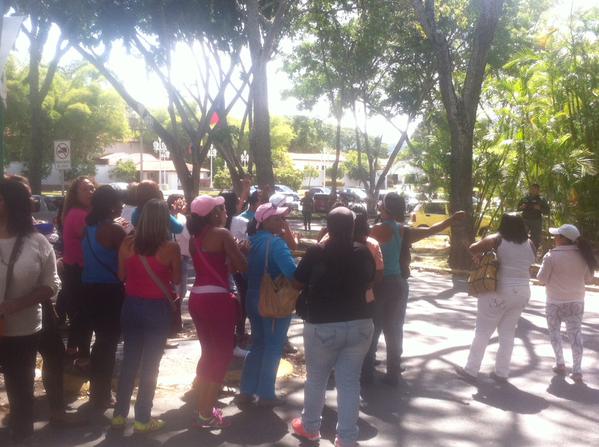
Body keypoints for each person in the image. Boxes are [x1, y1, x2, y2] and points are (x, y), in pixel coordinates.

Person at [292, 207, 375, 447]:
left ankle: (310, 428)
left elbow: (297, 282)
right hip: (360, 324)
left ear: (328, 227)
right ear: (352, 228)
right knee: (349, 382)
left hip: (323, 325)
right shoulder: (364, 252)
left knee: (316, 378)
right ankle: (346, 438)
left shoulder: (317, 251)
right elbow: (370, 280)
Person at [111, 199, 181, 433]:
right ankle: (142, 418)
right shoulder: (170, 248)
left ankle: (119, 414)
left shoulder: (127, 243)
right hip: (156, 309)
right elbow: (178, 279)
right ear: (164, 221)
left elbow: (121, 275)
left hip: (130, 306)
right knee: (151, 365)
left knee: (130, 362)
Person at [0, 179, 61, 442]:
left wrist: (18, 303)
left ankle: (21, 430)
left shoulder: (37, 242)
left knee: (20, 384)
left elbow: (52, 284)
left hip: (23, 329)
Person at [187, 195, 247, 428]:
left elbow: (213, 263)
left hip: (197, 297)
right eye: (222, 209)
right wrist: (242, 249)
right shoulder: (222, 235)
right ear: (213, 214)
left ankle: (203, 405)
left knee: (208, 352)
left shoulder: (194, 239)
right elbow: (242, 266)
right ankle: (205, 413)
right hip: (217, 298)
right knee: (221, 355)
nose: (226, 213)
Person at [456, 213, 535, 383]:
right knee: (507, 333)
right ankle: (502, 372)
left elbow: (472, 248)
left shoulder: (497, 239)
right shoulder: (530, 243)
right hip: (522, 292)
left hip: (499, 289)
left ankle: (471, 370)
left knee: (483, 330)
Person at [238, 202, 297, 406]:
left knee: (258, 344)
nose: (282, 221)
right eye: (277, 218)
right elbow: (292, 273)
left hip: (252, 296)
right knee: (273, 346)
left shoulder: (251, 241)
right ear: (265, 221)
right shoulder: (276, 243)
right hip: (272, 299)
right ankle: (266, 393)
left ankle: (246, 390)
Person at [81, 185, 126, 409]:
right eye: (118, 201)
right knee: (107, 343)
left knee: (100, 341)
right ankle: (102, 393)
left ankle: (97, 390)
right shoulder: (114, 231)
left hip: (89, 288)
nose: (121, 205)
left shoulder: (87, 228)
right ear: (110, 206)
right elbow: (129, 255)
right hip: (110, 291)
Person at [537, 224, 597, 384]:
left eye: (557, 235)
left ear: (564, 239)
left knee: (554, 333)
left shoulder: (550, 256)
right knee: (575, 335)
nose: (554, 238)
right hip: (576, 301)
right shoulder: (584, 256)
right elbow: (588, 279)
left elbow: (541, 279)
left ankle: (560, 363)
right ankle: (577, 371)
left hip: (554, 302)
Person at [362, 192, 407, 386]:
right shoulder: (401, 228)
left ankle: (367, 372)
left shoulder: (376, 229)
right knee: (394, 329)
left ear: (384, 208)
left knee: (374, 327)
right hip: (398, 282)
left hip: (380, 282)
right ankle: (393, 372)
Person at [62, 176, 95, 370]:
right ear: (75, 194)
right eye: (85, 189)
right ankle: (83, 354)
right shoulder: (77, 214)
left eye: (92, 188)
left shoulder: (83, 212)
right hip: (78, 269)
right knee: (84, 313)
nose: (90, 192)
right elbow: (93, 236)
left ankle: (72, 348)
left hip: (78, 267)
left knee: (80, 312)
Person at [167, 193, 190, 337]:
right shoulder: (169, 219)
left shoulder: (182, 218)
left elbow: (187, 236)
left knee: (183, 290)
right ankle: (173, 321)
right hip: (175, 258)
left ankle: (176, 318)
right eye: (180, 201)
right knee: (175, 289)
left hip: (184, 257)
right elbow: (185, 234)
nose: (182, 203)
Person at [518, 183, 549, 251]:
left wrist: (539, 208)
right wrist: (522, 207)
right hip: (525, 220)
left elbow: (547, 211)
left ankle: (533, 252)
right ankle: (521, 251)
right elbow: (518, 208)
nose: (533, 191)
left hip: (536, 221)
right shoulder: (524, 198)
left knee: (535, 239)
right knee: (522, 236)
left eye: (535, 189)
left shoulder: (542, 199)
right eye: (532, 189)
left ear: (538, 190)